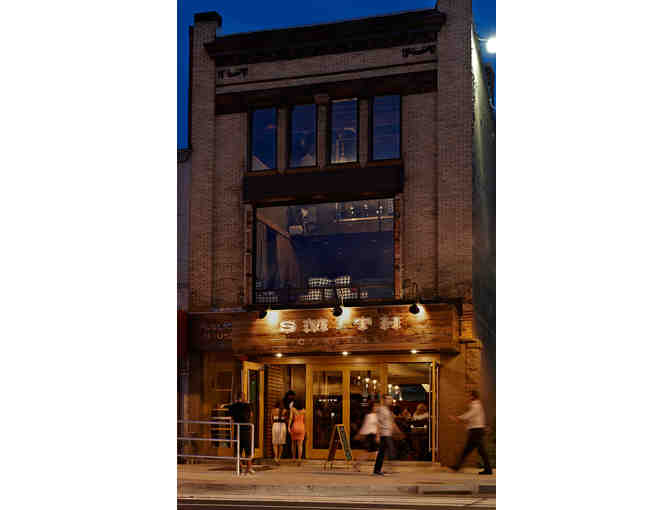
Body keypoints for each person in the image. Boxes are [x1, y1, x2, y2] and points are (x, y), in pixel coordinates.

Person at [449, 390, 493, 475]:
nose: (467, 397)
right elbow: (472, 417)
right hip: (476, 430)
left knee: (472, 450)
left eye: (469, 395)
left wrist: (458, 418)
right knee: (475, 450)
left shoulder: (476, 405)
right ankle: (457, 466)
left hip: (476, 431)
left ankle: (457, 466)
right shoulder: (476, 405)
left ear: (473, 396)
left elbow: (470, 415)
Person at [229, 392, 255, 475]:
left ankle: (240, 467)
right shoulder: (247, 406)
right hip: (246, 429)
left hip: (237, 429)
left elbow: (232, 419)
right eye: (245, 396)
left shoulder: (233, 406)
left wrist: (232, 431)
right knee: (248, 450)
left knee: (238, 450)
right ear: (243, 397)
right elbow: (251, 416)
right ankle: (249, 468)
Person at [353, 400, 379, 471]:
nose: (377, 407)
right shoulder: (369, 416)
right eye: (376, 406)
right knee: (369, 452)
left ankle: (357, 464)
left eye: (377, 406)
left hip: (373, 435)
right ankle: (357, 464)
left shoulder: (376, 416)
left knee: (370, 452)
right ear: (372, 407)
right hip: (370, 436)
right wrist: (360, 434)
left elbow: (377, 426)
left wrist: (377, 435)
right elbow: (365, 426)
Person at [373, 395, 395, 476]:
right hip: (384, 433)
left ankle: (378, 469)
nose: (390, 400)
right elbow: (378, 422)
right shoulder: (382, 409)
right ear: (384, 400)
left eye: (391, 399)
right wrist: (378, 435)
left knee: (383, 452)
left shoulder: (387, 410)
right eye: (388, 399)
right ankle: (379, 469)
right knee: (388, 452)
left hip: (387, 433)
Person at [288, 399, 306, 465]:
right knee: (300, 445)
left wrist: (288, 427)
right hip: (301, 427)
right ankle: (299, 459)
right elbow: (305, 421)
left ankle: (293, 458)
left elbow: (290, 418)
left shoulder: (293, 409)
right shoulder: (304, 411)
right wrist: (305, 429)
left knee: (293, 443)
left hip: (295, 426)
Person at [271, 399, 287, 465]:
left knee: (275, 443)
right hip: (282, 426)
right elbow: (286, 419)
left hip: (275, 425)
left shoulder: (273, 410)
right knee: (281, 443)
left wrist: (273, 425)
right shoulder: (284, 411)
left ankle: (275, 457)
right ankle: (279, 457)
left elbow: (271, 420)